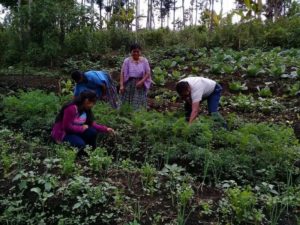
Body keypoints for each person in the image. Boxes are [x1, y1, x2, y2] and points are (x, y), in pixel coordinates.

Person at [51, 90, 114, 156]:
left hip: (74, 131)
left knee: (92, 132)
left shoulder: (85, 109)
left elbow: (91, 124)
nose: (93, 105)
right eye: (93, 103)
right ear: (86, 101)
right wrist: (81, 128)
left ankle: (91, 152)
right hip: (63, 133)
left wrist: (106, 129)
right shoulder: (71, 108)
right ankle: (81, 155)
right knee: (80, 144)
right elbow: (66, 127)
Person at [119, 43, 152, 110]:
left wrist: (141, 82)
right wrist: (121, 85)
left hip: (140, 84)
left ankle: (138, 115)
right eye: (134, 51)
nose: (136, 53)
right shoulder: (127, 61)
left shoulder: (144, 61)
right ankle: (126, 113)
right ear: (131, 52)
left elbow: (148, 73)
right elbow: (122, 73)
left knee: (139, 100)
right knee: (127, 100)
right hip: (129, 83)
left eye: (137, 51)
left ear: (140, 52)